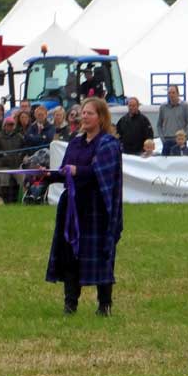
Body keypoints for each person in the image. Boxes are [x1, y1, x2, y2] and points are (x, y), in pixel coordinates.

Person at [45, 97, 123, 316]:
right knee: (70, 256)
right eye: (83, 113)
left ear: (101, 117)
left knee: (100, 256)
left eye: (89, 113)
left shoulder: (108, 143)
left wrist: (78, 171)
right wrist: (46, 176)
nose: (84, 117)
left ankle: (104, 305)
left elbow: (101, 172)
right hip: (72, 208)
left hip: (96, 209)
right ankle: (70, 305)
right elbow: (64, 171)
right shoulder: (75, 142)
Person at [0, 116, 24, 204]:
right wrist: (1, 153)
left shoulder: (19, 136)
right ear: (4, 125)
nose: (11, 127)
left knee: (19, 184)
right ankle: (6, 202)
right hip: (3, 164)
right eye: (9, 125)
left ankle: (17, 201)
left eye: (12, 125)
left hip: (17, 164)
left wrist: (21, 155)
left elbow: (24, 148)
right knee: (4, 185)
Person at [157, 85, 188, 156]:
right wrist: (162, 139)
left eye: (173, 92)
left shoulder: (185, 106)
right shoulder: (163, 107)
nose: (171, 95)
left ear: (178, 93)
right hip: (167, 141)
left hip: (180, 141)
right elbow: (159, 125)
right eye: (169, 93)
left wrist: (185, 138)